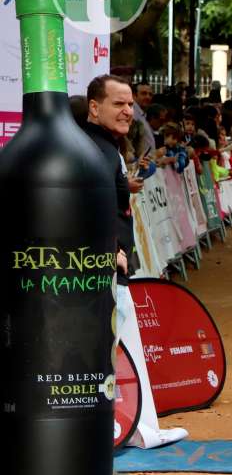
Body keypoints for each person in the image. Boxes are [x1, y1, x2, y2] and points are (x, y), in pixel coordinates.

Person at [81, 76, 188, 451]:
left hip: (105, 264)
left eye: (130, 104)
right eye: (118, 104)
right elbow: (84, 204)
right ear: (95, 108)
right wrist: (109, 247)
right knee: (119, 341)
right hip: (103, 267)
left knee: (123, 341)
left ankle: (140, 428)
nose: (128, 110)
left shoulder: (102, 148)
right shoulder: (96, 150)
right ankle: (141, 429)